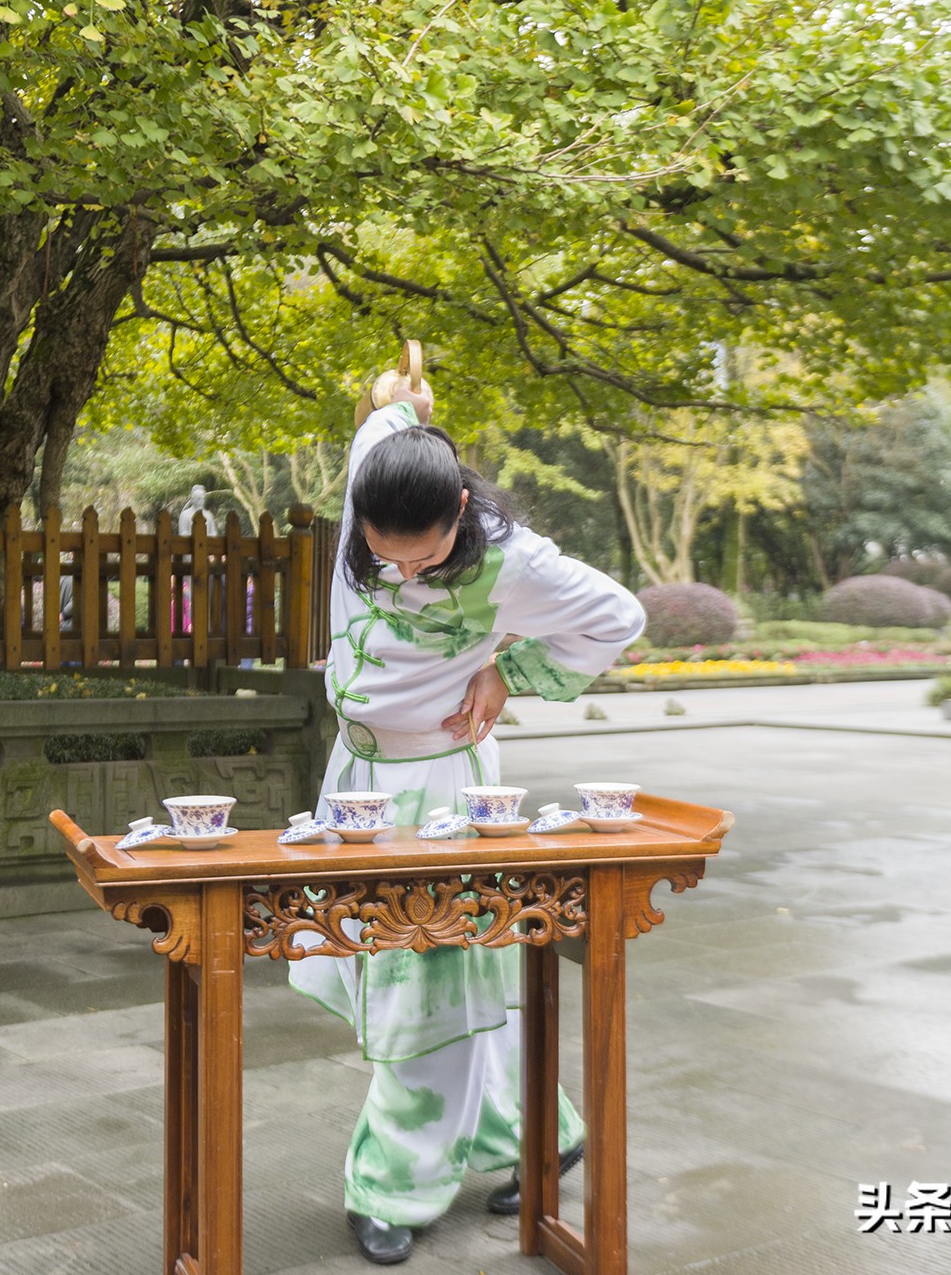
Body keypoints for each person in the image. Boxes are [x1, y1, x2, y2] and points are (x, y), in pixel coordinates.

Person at [292, 366, 645, 1264]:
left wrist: (508, 670)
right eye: (383, 556)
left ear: (459, 508)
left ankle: (393, 1190)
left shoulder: (513, 562)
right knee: (440, 983)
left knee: (426, 991)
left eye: (423, 556)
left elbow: (617, 616)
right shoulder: (377, 470)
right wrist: (399, 395)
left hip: (443, 792)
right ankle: (542, 1131)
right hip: (355, 781)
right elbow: (385, 418)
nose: (401, 571)